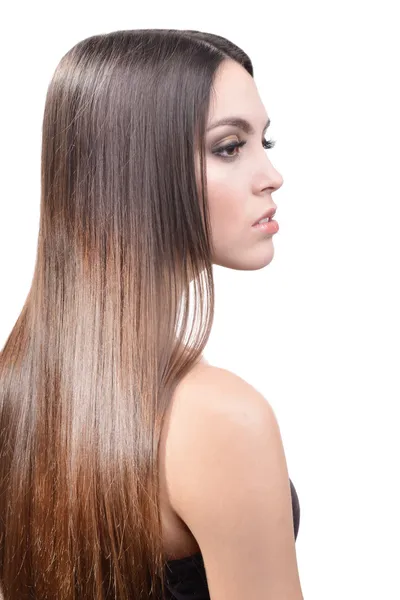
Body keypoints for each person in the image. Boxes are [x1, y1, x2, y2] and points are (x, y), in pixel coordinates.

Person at [0, 29, 303, 599]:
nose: (272, 176)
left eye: (266, 141)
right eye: (229, 147)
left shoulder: (16, 386)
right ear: (135, 169)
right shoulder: (222, 419)